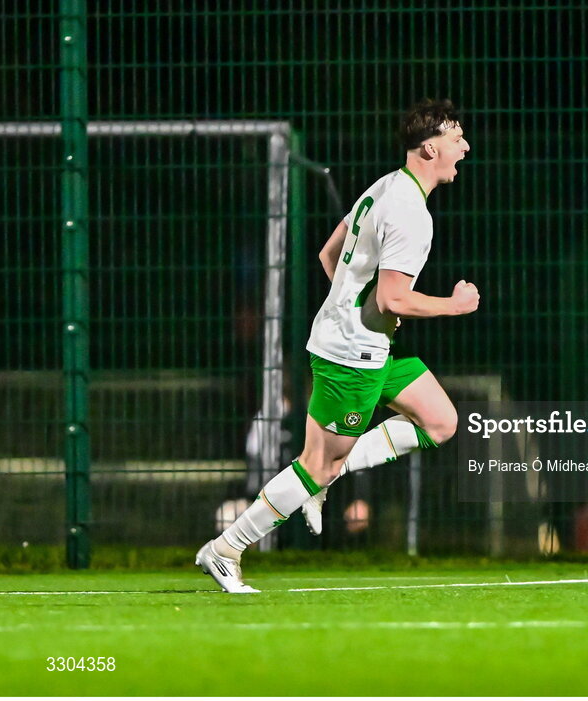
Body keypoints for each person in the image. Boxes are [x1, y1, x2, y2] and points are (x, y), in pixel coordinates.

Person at [196, 98, 478, 593]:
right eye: (457, 138)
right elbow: (393, 297)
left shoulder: (386, 185)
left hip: (361, 344)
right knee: (315, 465)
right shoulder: (412, 213)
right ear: (430, 148)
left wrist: (350, 309)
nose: (465, 146)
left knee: (441, 421)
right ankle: (227, 547)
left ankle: (323, 478)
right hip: (352, 358)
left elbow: (330, 254)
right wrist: (453, 306)